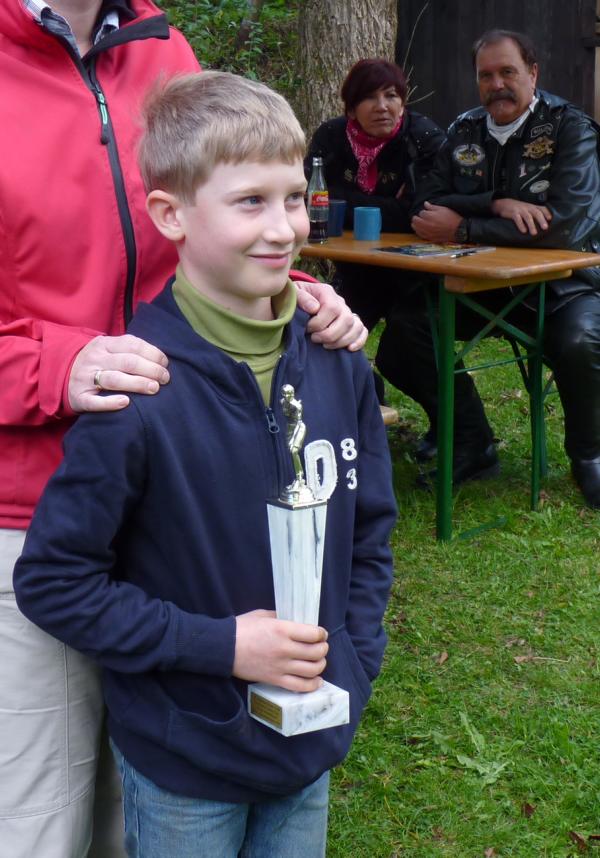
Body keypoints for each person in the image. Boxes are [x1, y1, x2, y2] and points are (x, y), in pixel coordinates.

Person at [0, 3, 367, 857]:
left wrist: (288, 302)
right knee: (45, 819)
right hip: (31, 510)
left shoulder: (163, 47)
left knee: (144, 803)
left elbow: (219, 215)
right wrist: (54, 364)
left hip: (186, 506)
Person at [376, 29, 600, 500]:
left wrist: (463, 227)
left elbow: (568, 225)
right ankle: (471, 441)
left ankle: (590, 457)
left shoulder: (570, 127)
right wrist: (495, 203)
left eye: (507, 72)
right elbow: (424, 205)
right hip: (482, 285)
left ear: (533, 73)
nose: (496, 84)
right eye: (486, 75)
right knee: (404, 333)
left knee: (580, 342)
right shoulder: (464, 129)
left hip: (562, 287)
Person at [306, 58, 444, 331]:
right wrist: (390, 206)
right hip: (355, 269)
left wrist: (339, 199)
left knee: (405, 338)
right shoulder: (331, 136)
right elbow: (308, 199)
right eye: (369, 97)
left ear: (402, 104)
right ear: (351, 109)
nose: (382, 106)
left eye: (391, 96)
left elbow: (419, 215)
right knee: (323, 331)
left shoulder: (423, 139)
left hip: (414, 274)